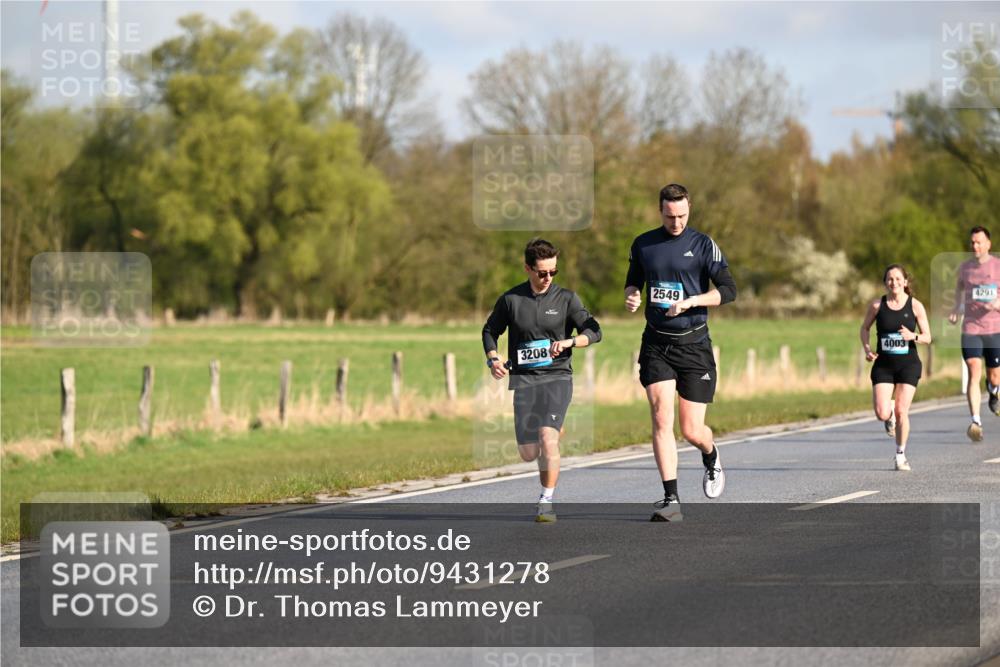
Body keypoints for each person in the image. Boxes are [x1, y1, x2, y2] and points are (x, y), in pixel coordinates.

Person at [624, 184, 737, 522]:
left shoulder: (704, 245)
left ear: (690, 210)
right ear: (660, 211)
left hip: (695, 346)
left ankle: (710, 453)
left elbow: (729, 291)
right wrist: (631, 296)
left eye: (682, 215)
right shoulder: (644, 244)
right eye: (670, 216)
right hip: (657, 344)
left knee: (691, 430)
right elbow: (634, 282)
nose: (676, 222)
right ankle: (670, 497)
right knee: (661, 416)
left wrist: (692, 301)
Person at [482, 238, 602, 522]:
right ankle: (554, 430)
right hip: (524, 380)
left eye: (553, 272)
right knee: (527, 453)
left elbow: (595, 330)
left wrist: (571, 342)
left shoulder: (567, 299)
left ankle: (546, 501)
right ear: (527, 268)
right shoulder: (511, 300)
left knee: (547, 439)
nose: (548, 278)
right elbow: (490, 330)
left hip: (556, 377)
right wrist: (493, 358)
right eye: (542, 272)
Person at [860, 264, 932, 471]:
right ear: (885, 283)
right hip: (884, 365)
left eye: (898, 279)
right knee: (882, 413)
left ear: (905, 282)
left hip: (908, 365)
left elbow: (928, 337)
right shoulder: (877, 306)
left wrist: (913, 336)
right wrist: (867, 349)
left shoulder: (915, 306)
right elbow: (864, 328)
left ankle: (900, 455)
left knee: (902, 410)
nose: (894, 283)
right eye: (890, 279)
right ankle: (889, 416)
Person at [948, 226, 1000, 442]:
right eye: (972, 242)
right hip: (971, 328)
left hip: (994, 328)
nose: (975, 246)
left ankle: (994, 390)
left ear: (988, 243)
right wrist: (955, 308)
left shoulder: (998, 267)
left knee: (994, 374)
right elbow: (959, 289)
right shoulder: (965, 268)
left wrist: (996, 303)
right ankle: (976, 421)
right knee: (972, 368)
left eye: (979, 242)